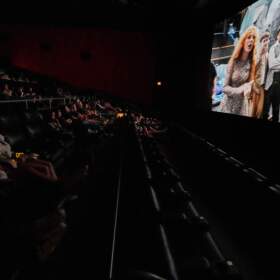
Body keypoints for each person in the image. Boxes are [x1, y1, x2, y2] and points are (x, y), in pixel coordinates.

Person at [220, 26, 259, 116]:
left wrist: (250, 89)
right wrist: (239, 89)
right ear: (243, 40)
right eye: (249, 37)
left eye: (254, 38)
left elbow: (250, 83)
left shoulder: (251, 63)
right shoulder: (234, 60)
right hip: (228, 106)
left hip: (242, 107)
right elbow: (224, 88)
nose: (251, 40)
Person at [251, 30, 270, 118]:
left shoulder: (268, 54)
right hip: (255, 85)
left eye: (267, 40)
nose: (266, 42)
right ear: (261, 42)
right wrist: (260, 53)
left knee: (259, 110)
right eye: (264, 41)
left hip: (262, 85)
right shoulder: (257, 53)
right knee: (252, 110)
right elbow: (253, 67)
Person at [264, 27, 280, 122]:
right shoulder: (272, 47)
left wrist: (276, 63)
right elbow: (271, 65)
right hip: (269, 83)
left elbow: (275, 64)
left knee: (276, 110)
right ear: (277, 35)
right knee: (265, 110)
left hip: (279, 84)